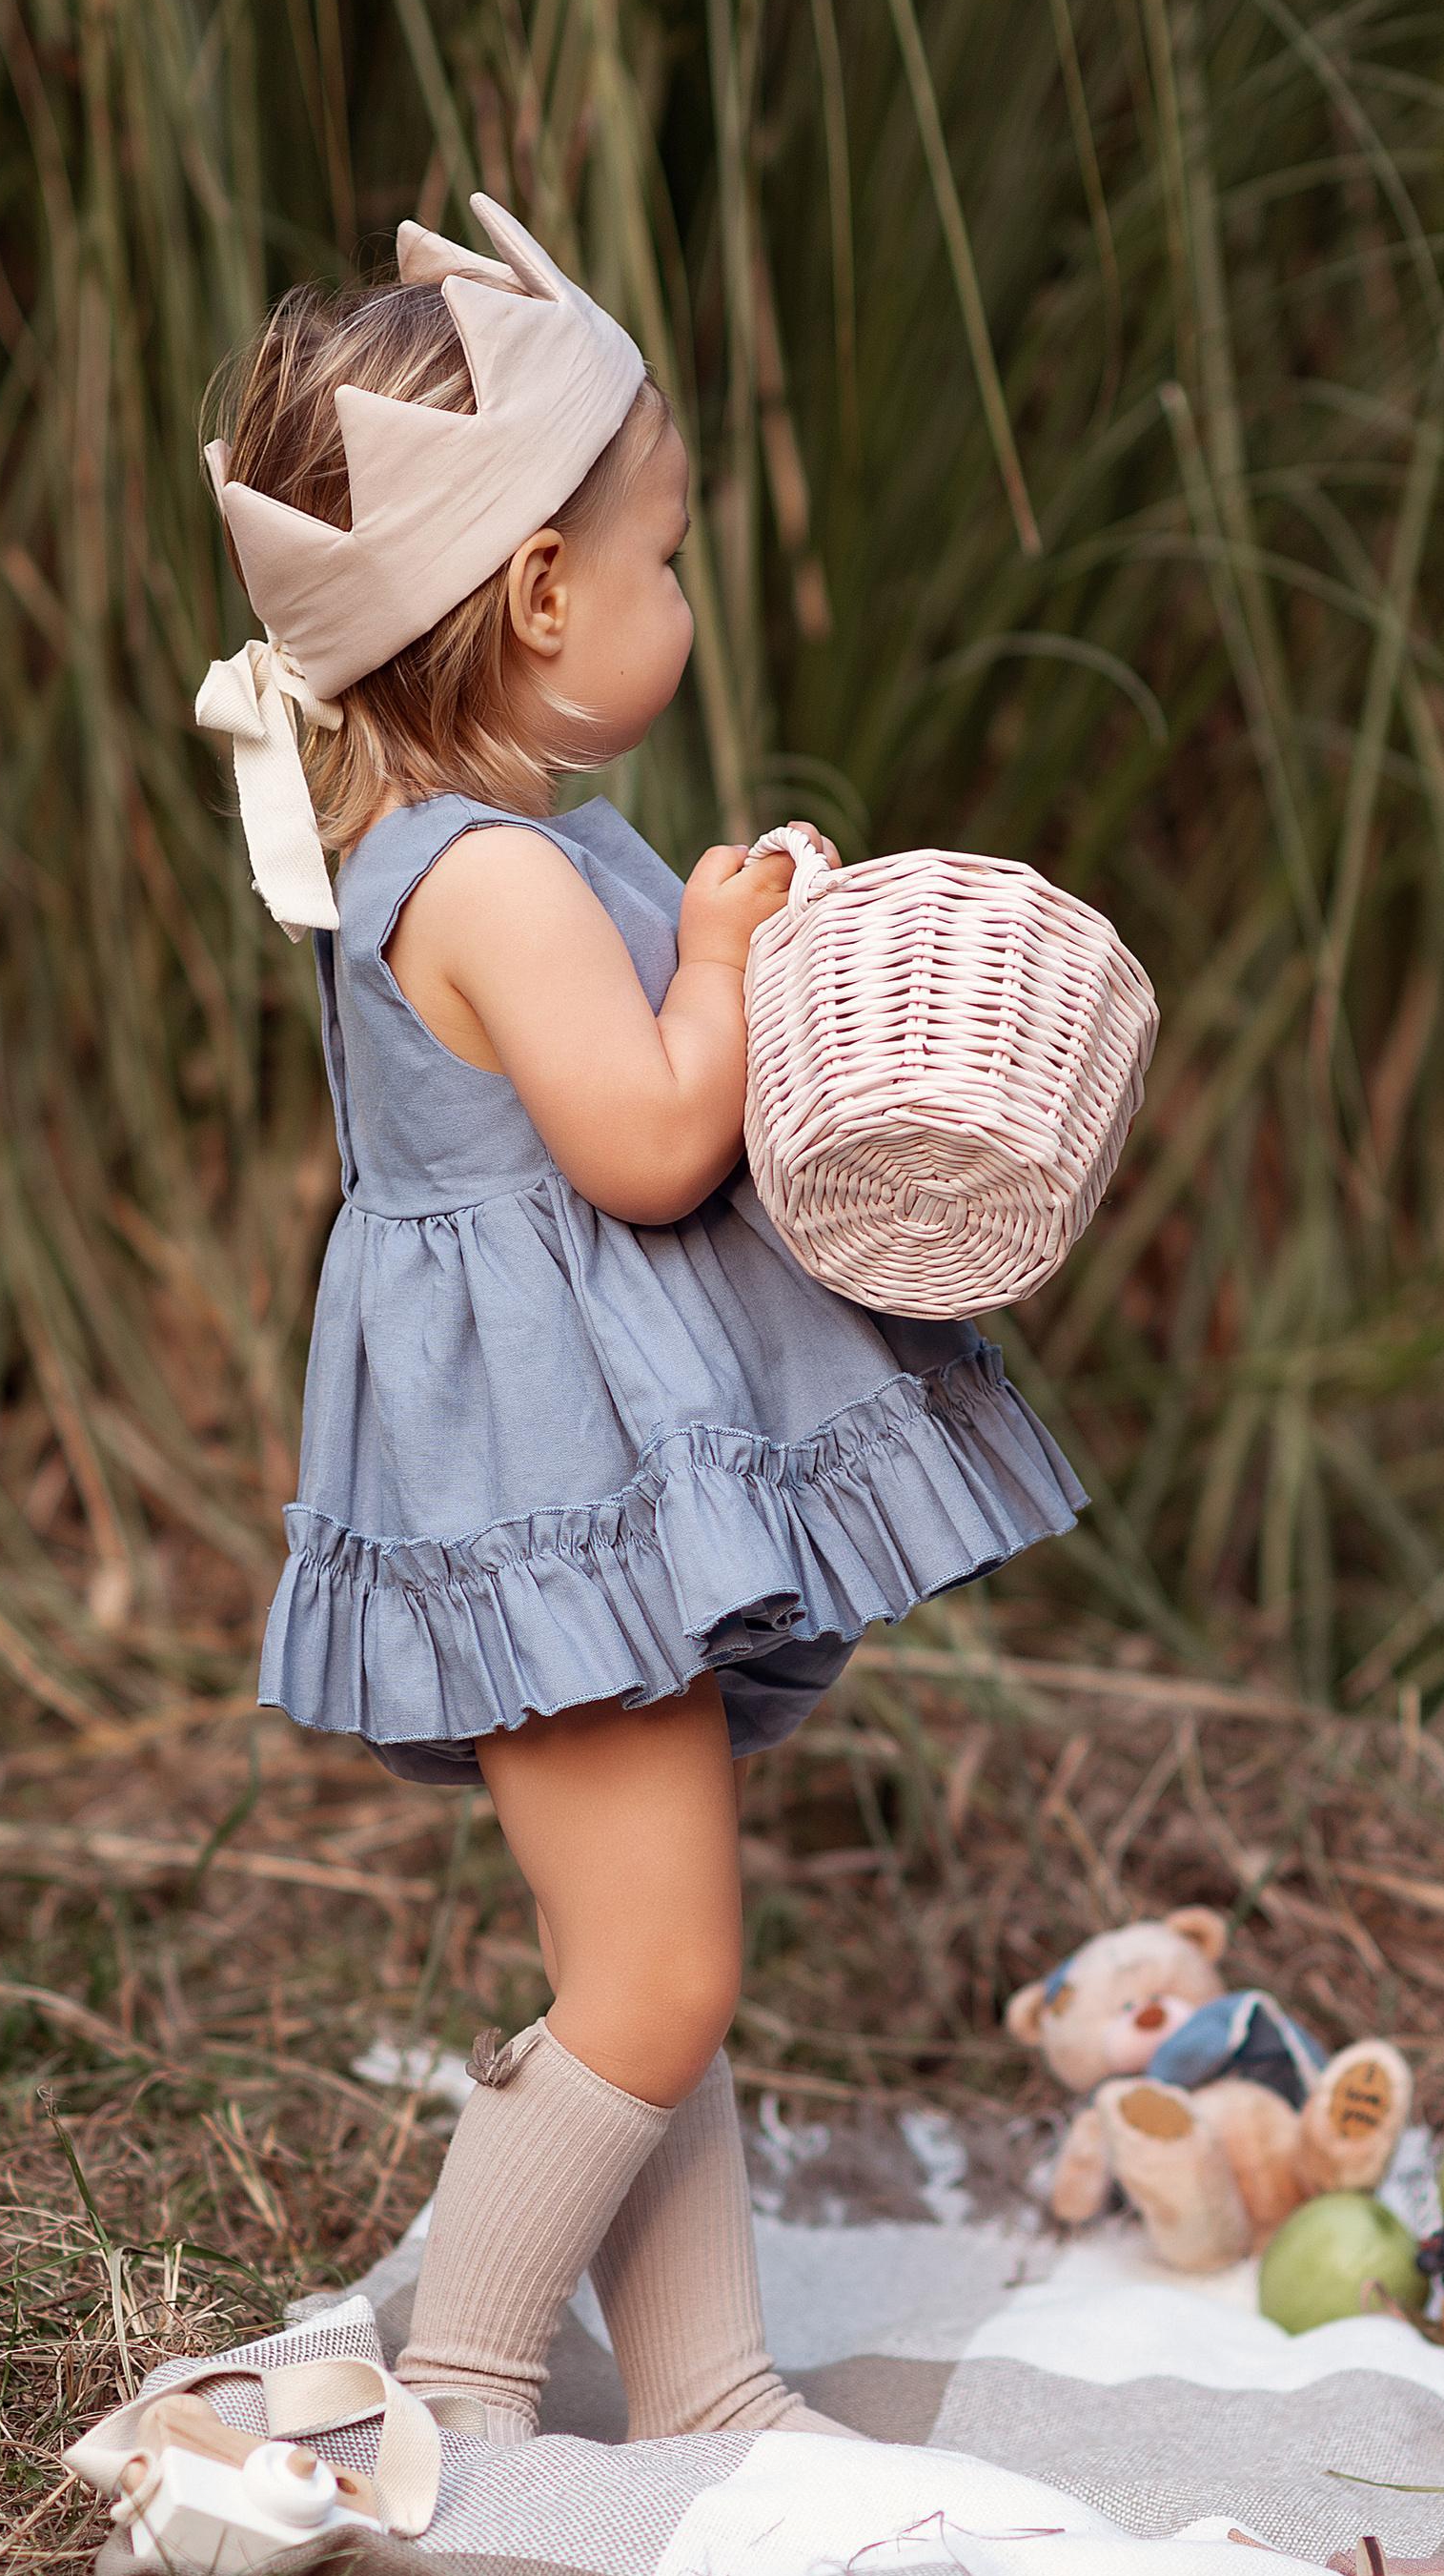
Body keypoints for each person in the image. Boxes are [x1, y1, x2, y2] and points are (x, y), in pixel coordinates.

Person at [193, 194, 1082, 2448]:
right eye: (664, 557)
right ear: (539, 598)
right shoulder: (486, 879)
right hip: (548, 1500)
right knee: (662, 1970)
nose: (682, 599)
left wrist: (726, 952)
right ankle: (467, 2381)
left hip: (574, 1476)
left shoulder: (501, 834)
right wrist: (711, 973)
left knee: (647, 1965)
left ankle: (702, 2387)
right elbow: (645, 1149)